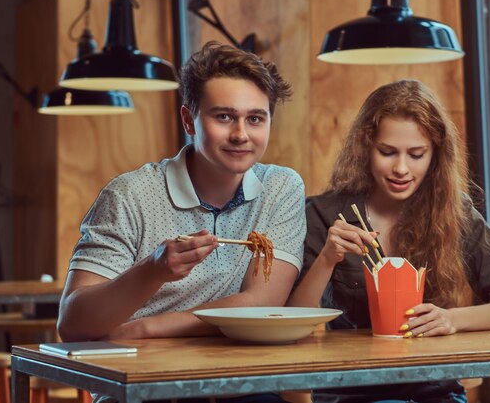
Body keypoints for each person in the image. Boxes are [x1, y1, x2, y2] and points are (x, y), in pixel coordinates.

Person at [57, 41, 305, 403]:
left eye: (255, 118)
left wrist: (144, 328)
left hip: (238, 382)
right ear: (189, 119)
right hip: (140, 385)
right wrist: (153, 270)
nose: (241, 134)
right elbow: (74, 325)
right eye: (223, 116)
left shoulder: (280, 187)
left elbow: (261, 303)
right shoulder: (129, 195)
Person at [288, 79, 490, 403]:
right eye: (387, 152)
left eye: (417, 154)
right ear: (366, 146)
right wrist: (326, 259)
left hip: (435, 389)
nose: (401, 168)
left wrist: (451, 319)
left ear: (435, 154)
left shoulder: (453, 211)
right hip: (352, 391)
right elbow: (293, 322)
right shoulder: (325, 214)